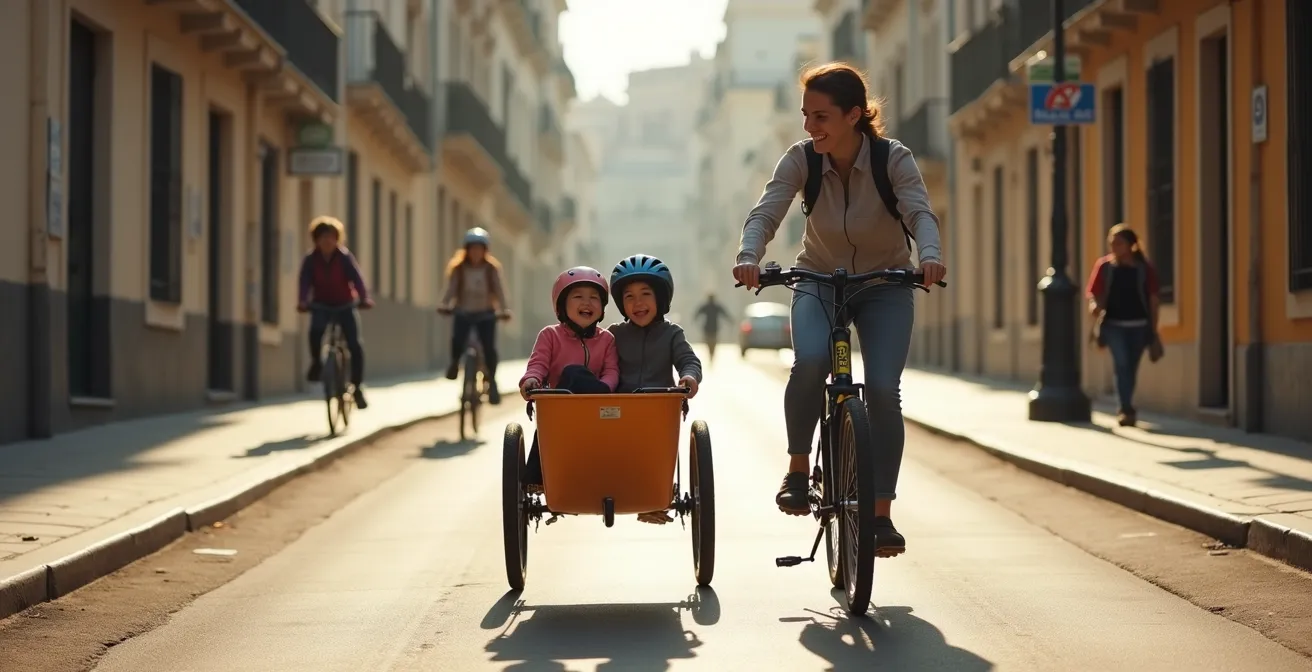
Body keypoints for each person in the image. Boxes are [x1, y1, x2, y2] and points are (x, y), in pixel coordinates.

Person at [730, 62, 947, 557]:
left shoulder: (894, 159)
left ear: (854, 115)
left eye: (821, 116)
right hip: (819, 278)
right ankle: (799, 471)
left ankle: (880, 516)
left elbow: (919, 211)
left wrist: (929, 257)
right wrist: (749, 256)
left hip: (885, 282)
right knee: (809, 361)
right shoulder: (801, 159)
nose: (810, 127)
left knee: (885, 392)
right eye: (807, 115)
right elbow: (768, 209)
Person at [607, 254, 705, 525]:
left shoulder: (672, 333)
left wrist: (688, 377)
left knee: (654, 448)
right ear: (620, 303)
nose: (638, 303)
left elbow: (688, 360)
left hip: (658, 409)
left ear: (660, 298)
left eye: (645, 294)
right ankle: (629, 493)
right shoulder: (613, 334)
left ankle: (654, 497)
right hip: (619, 409)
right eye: (629, 297)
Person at [519, 266, 620, 491]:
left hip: (598, 406)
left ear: (602, 308)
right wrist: (531, 380)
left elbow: (612, 371)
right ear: (562, 305)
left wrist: (603, 388)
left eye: (594, 298)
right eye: (578, 297)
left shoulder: (607, 340)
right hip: (560, 409)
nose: (587, 303)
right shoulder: (550, 336)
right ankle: (536, 478)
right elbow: (538, 364)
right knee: (571, 375)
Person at [1086, 223, 1162, 428]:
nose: (1114, 248)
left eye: (1118, 243)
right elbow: (1093, 292)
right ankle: (1126, 409)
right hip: (1113, 326)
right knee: (1122, 365)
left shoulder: (1144, 269)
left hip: (1139, 325)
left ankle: (1126, 405)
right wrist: (1094, 306)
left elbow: (1153, 299)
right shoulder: (1104, 267)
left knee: (1131, 367)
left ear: (1130, 245)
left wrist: (1153, 329)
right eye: (1111, 243)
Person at [297, 216, 375, 409]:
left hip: (345, 305)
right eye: (323, 237)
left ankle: (357, 387)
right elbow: (304, 282)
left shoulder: (344, 257)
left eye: (331, 237)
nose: (327, 241)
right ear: (316, 239)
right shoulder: (310, 259)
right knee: (315, 332)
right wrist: (302, 301)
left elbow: (357, 279)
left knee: (355, 345)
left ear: (337, 239)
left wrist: (364, 298)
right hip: (321, 305)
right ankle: (317, 362)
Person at [439, 227, 510, 404]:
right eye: (472, 249)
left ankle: (492, 381)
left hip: (485, 314)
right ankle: (454, 364)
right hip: (464, 311)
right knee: (457, 341)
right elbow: (451, 289)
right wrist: (444, 304)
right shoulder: (459, 269)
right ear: (467, 250)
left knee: (489, 348)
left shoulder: (491, 269)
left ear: (485, 251)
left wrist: (504, 309)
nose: (476, 252)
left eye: (479, 249)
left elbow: (499, 291)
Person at [694, 293, 732, 360]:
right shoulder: (715, 306)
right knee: (712, 342)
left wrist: (695, 319)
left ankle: (711, 353)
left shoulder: (707, 306)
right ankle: (711, 353)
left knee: (710, 342)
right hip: (713, 327)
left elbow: (698, 313)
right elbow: (725, 314)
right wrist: (730, 320)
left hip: (709, 327)